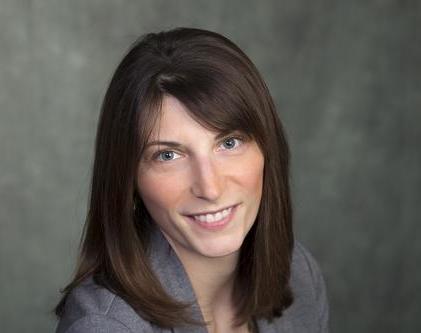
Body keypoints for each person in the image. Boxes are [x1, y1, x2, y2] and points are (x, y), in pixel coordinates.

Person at [54, 27, 329, 333]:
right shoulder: (106, 326)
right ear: (129, 178)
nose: (210, 188)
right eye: (169, 155)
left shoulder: (298, 273)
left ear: (267, 149)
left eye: (229, 143)